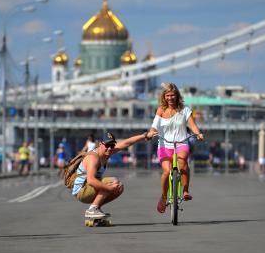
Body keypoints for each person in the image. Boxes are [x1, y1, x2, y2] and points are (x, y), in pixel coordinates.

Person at [72, 130, 157, 219]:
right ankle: (92, 209)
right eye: (107, 145)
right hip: (82, 191)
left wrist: (145, 135)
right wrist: (108, 188)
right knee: (113, 183)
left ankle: (96, 207)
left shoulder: (107, 152)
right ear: (100, 144)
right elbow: (91, 180)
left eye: (112, 145)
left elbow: (126, 143)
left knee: (119, 187)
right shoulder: (93, 158)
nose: (109, 148)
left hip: (88, 188)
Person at [149, 83, 204, 213]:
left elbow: (193, 126)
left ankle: (185, 190)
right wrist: (151, 132)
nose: (170, 98)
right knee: (167, 172)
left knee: (183, 162)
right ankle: (163, 197)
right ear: (164, 96)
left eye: (172, 95)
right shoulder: (161, 110)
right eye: (167, 95)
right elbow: (154, 126)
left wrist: (198, 134)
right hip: (164, 144)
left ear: (177, 95)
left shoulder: (185, 110)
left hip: (181, 143)